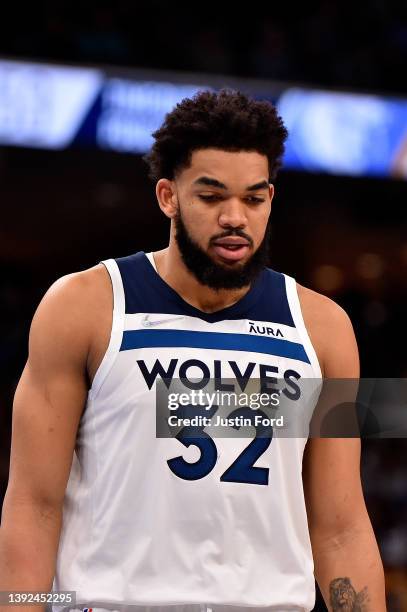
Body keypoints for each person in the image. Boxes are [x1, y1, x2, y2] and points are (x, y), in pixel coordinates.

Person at [0, 90, 385, 612]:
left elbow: (341, 527)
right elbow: (32, 505)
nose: (234, 217)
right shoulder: (82, 305)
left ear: (271, 198)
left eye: (253, 198)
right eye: (211, 197)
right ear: (168, 196)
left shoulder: (326, 328)